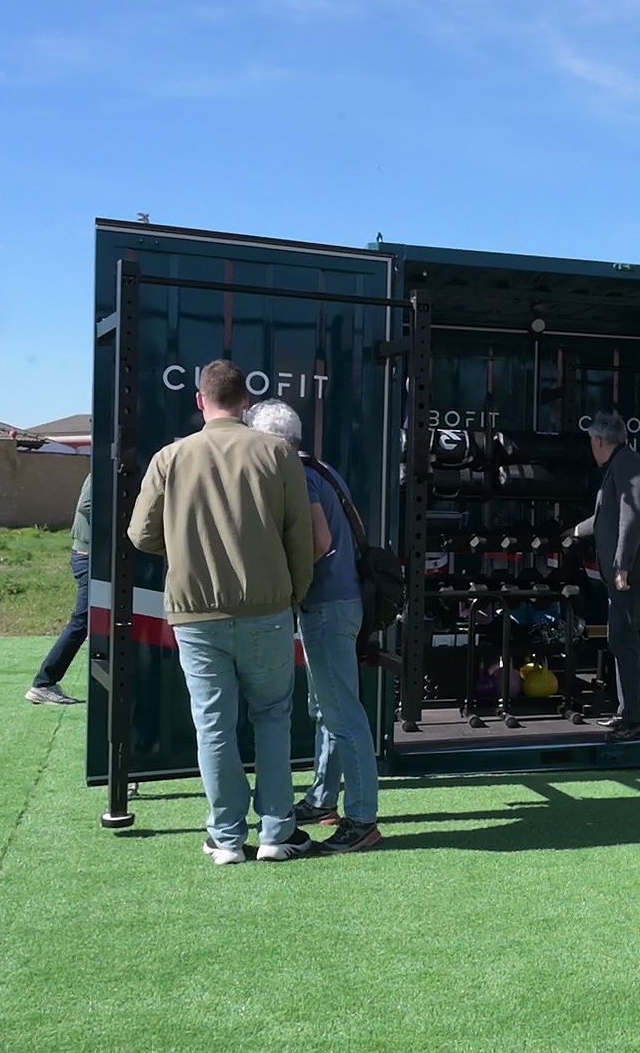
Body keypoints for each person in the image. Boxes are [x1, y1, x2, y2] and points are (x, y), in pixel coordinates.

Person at [127, 361, 317, 867]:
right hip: (269, 608)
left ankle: (226, 838)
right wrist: (294, 592)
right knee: (273, 719)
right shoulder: (278, 453)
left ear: (200, 400)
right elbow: (301, 535)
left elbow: (141, 536)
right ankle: (277, 833)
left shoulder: (170, 457)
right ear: (246, 403)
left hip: (195, 613)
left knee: (213, 725)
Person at [243, 399, 383, 855]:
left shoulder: (298, 477)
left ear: (271, 443)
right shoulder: (321, 469)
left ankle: (361, 820)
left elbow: (319, 542)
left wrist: (282, 578)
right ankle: (324, 798)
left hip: (327, 605)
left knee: (342, 714)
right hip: (338, 603)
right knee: (328, 710)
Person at [570, 412, 640, 742]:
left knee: (623, 640)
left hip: (630, 573)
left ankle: (632, 719)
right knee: (619, 639)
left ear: (599, 441)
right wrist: (574, 532)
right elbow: (606, 518)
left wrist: (622, 566)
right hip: (624, 572)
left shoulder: (628, 465)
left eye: (590, 443)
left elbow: (632, 516)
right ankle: (627, 712)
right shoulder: (623, 465)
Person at [25, 472, 93, 706]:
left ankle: (45, 682)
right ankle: (43, 683)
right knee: (82, 620)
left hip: (89, 555)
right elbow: (87, 506)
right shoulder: (101, 472)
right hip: (90, 556)